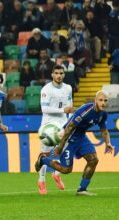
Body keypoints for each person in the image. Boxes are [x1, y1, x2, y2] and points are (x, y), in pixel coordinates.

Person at [35, 91, 115, 196]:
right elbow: (69, 128)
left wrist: (108, 142)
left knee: (93, 160)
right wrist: (60, 146)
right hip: (69, 138)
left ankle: (82, 189)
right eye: (100, 100)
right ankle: (43, 160)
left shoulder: (103, 114)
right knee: (66, 169)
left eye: (105, 100)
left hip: (81, 137)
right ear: (95, 100)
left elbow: (103, 130)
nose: (103, 103)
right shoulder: (85, 111)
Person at [37, 65, 74, 195]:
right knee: (45, 155)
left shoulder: (68, 88)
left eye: (61, 73)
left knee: (63, 152)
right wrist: (62, 110)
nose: (59, 75)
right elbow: (44, 109)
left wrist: (70, 122)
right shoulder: (46, 89)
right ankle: (41, 180)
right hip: (49, 126)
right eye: (56, 73)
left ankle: (56, 174)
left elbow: (70, 106)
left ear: (64, 74)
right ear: (52, 74)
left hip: (63, 125)